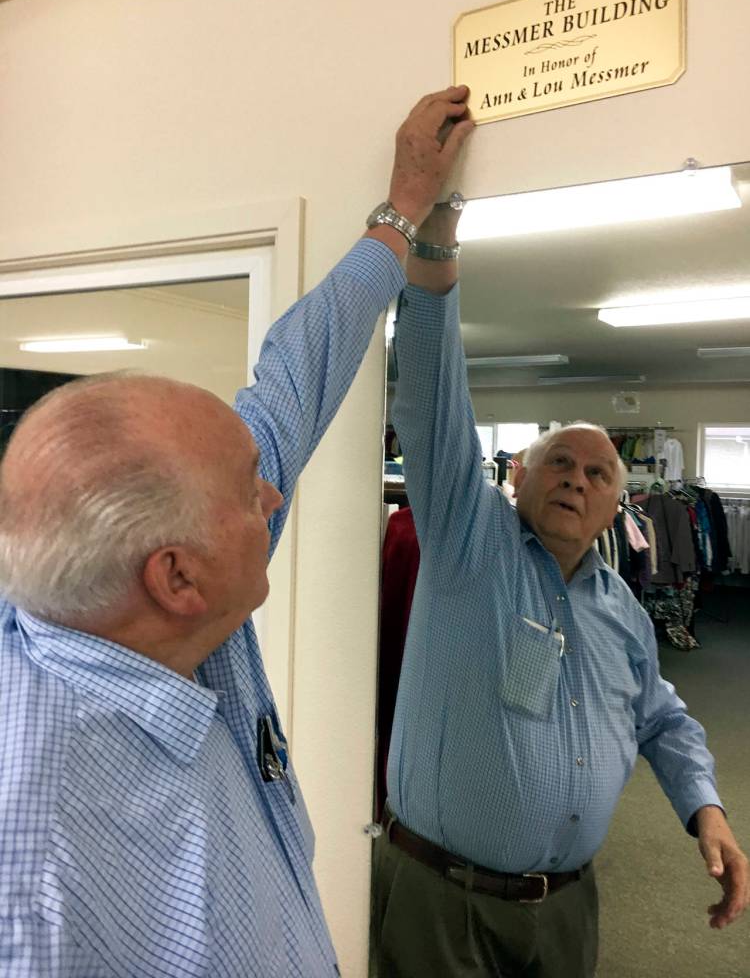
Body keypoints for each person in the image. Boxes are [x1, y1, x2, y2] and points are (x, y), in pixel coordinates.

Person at [0, 87, 474, 978]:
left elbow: (290, 386)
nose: (273, 489)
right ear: (176, 578)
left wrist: (402, 208)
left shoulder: (141, 607)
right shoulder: (37, 883)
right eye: (247, 486)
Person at [372, 197, 749, 977]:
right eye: (560, 465)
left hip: (568, 907)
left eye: (597, 473)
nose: (577, 481)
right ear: (518, 476)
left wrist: (704, 806)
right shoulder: (465, 542)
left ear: (621, 501)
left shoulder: (621, 610)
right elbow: (433, 399)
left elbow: (661, 717)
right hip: (446, 903)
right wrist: (435, 241)